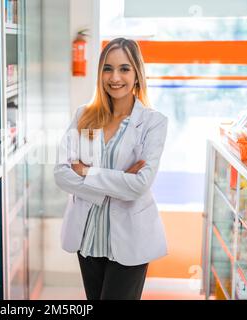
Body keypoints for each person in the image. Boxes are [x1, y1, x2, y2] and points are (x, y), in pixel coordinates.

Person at [54, 37, 168, 300]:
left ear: (137, 74)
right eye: (108, 68)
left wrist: (86, 172)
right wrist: (119, 181)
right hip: (88, 237)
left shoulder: (153, 123)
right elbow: (61, 173)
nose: (115, 77)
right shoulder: (84, 115)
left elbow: (140, 184)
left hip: (131, 240)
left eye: (124, 69)